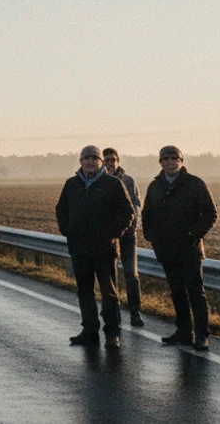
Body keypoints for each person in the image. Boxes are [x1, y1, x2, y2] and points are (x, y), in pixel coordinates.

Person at [55, 145, 134, 349]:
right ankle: (89, 331)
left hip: (105, 250)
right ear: (80, 161)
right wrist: (67, 230)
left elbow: (127, 213)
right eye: (86, 158)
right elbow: (61, 209)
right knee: (85, 292)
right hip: (79, 248)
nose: (90, 162)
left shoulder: (112, 184)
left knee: (109, 292)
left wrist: (112, 234)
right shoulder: (72, 184)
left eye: (94, 158)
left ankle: (112, 333)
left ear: (101, 162)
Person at [141, 146, 217, 351]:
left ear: (181, 161)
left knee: (195, 292)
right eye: (165, 159)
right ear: (160, 163)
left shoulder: (195, 184)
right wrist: (152, 239)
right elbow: (147, 214)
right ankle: (184, 331)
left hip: (190, 249)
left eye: (174, 158)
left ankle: (202, 335)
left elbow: (210, 214)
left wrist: (193, 236)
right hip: (166, 249)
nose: (170, 162)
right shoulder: (155, 186)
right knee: (176, 292)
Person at [102, 148, 144, 327]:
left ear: (118, 161)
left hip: (127, 235)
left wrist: (131, 227)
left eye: (112, 160)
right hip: (107, 237)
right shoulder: (99, 181)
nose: (110, 164)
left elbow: (136, 206)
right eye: (106, 161)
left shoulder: (128, 181)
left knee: (131, 274)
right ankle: (112, 311)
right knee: (108, 276)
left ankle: (135, 313)